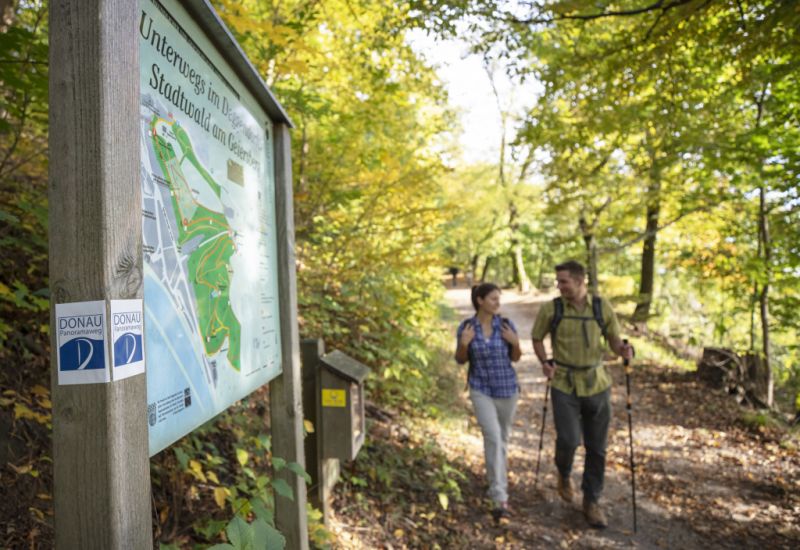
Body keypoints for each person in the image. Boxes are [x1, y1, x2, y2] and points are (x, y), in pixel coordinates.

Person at [531, 260, 633, 529]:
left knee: (597, 448)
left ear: (580, 281)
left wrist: (622, 349)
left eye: (564, 281)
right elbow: (537, 338)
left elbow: (613, 338)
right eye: (558, 281)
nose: (559, 286)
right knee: (568, 439)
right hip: (563, 382)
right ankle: (564, 474)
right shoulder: (551, 308)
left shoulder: (601, 307)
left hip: (597, 382)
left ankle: (592, 501)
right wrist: (544, 361)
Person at [455, 283, 522, 521]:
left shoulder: (505, 325)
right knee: (493, 437)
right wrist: (464, 343)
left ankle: (497, 481)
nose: (497, 303)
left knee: (501, 440)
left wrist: (515, 342)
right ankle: (499, 497)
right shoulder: (466, 327)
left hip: (507, 389)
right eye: (493, 299)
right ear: (480, 300)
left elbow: (515, 358)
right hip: (480, 388)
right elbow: (461, 360)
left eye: (498, 299)